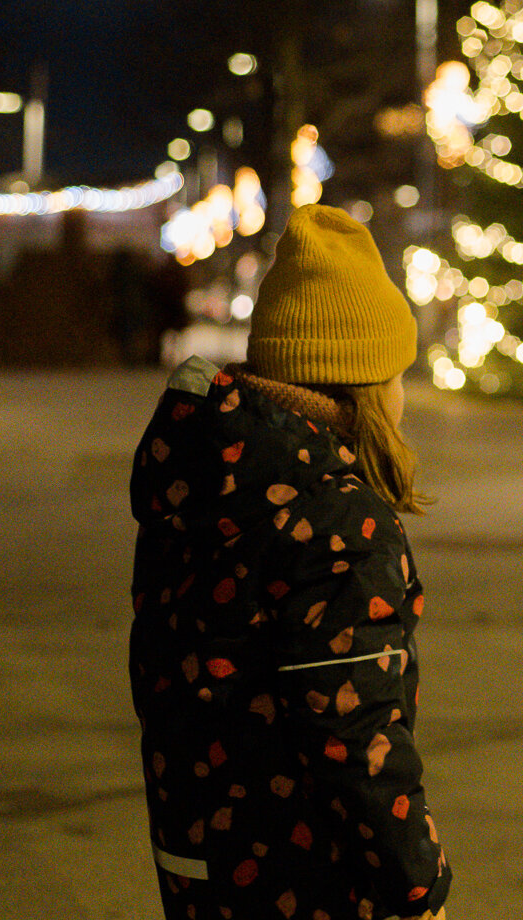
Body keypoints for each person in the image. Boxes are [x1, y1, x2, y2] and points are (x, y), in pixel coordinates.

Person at [128, 205, 451, 920]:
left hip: (202, 858)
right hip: (309, 877)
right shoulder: (339, 521)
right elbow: (351, 733)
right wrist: (417, 879)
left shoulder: (204, 481)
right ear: (364, 380)